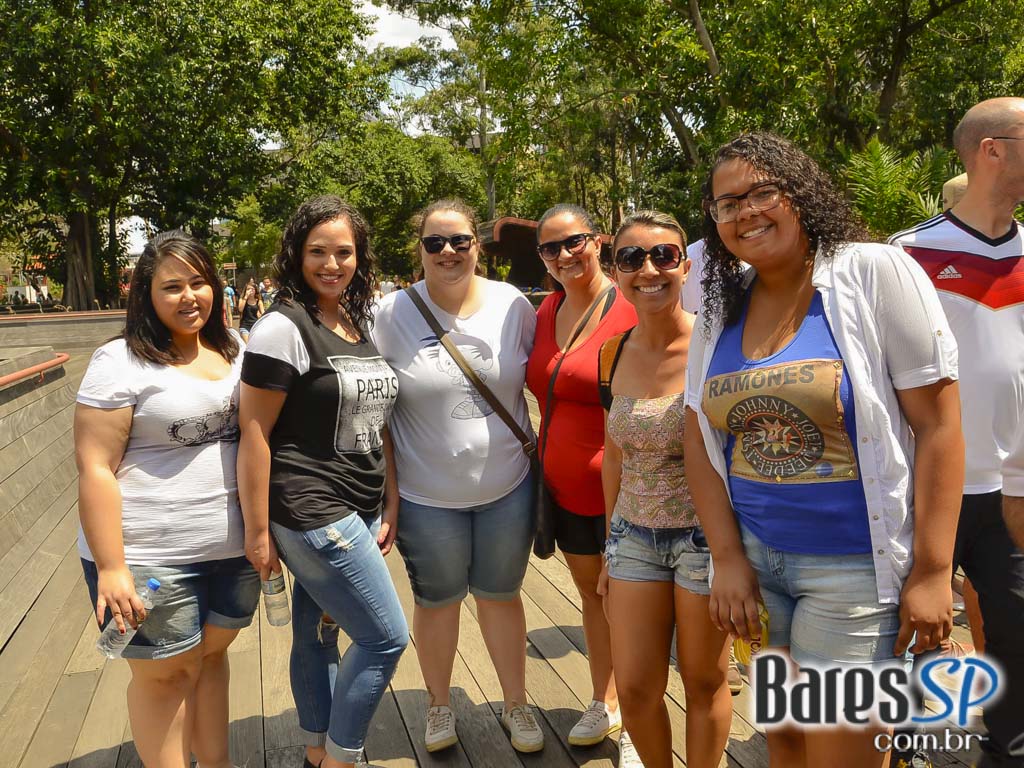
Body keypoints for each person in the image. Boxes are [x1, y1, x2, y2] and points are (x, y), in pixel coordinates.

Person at [684, 132, 964, 768]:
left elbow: (941, 425)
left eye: (762, 193)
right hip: (757, 567)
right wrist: (727, 559)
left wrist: (930, 571)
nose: (745, 212)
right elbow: (699, 436)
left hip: (854, 574)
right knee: (785, 742)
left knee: (843, 754)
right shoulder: (719, 308)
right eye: (726, 204)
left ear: (800, 195)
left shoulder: (873, 271)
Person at [74, 230, 257, 768]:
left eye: (199, 282)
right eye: (172, 286)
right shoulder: (120, 361)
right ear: (146, 296)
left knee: (210, 659)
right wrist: (111, 567)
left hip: (231, 549)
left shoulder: (235, 349)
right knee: (164, 675)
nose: (188, 296)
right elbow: (95, 466)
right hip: (150, 556)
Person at [238, 195, 408, 768]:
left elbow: (375, 415)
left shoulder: (356, 321)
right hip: (311, 509)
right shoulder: (282, 328)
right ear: (296, 255)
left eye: (344, 252)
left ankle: (316, 748)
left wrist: (390, 495)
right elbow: (255, 433)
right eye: (318, 252)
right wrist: (258, 532)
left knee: (317, 635)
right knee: (385, 637)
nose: (331, 264)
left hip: (359, 503)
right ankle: (342, 757)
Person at [370, 198, 541, 754]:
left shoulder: (513, 306)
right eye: (434, 243)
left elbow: (547, 382)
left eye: (460, 241)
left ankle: (516, 702)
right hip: (426, 495)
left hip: (507, 489)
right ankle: (438, 706)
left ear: (478, 245)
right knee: (436, 601)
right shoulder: (389, 314)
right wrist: (387, 497)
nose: (448, 252)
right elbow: (374, 411)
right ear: (418, 250)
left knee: (501, 596)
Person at [889, 97, 1024, 768]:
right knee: (918, 633)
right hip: (927, 488)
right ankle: (907, 751)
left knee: (1017, 640)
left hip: (1016, 493)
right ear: (992, 150)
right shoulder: (908, 254)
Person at [597, 211, 731, 768]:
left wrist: (736, 557)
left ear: (685, 265)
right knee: (634, 688)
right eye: (631, 258)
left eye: (662, 256)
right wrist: (610, 542)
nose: (647, 270)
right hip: (633, 536)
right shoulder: (613, 352)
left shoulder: (718, 345)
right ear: (616, 270)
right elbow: (616, 455)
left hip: (706, 538)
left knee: (703, 682)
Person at [525, 204, 638, 756]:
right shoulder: (545, 311)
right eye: (551, 248)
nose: (564, 255)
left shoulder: (632, 307)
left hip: (629, 493)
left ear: (599, 241)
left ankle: (643, 719)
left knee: (633, 607)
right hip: (564, 492)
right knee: (594, 599)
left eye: (574, 242)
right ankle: (606, 699)